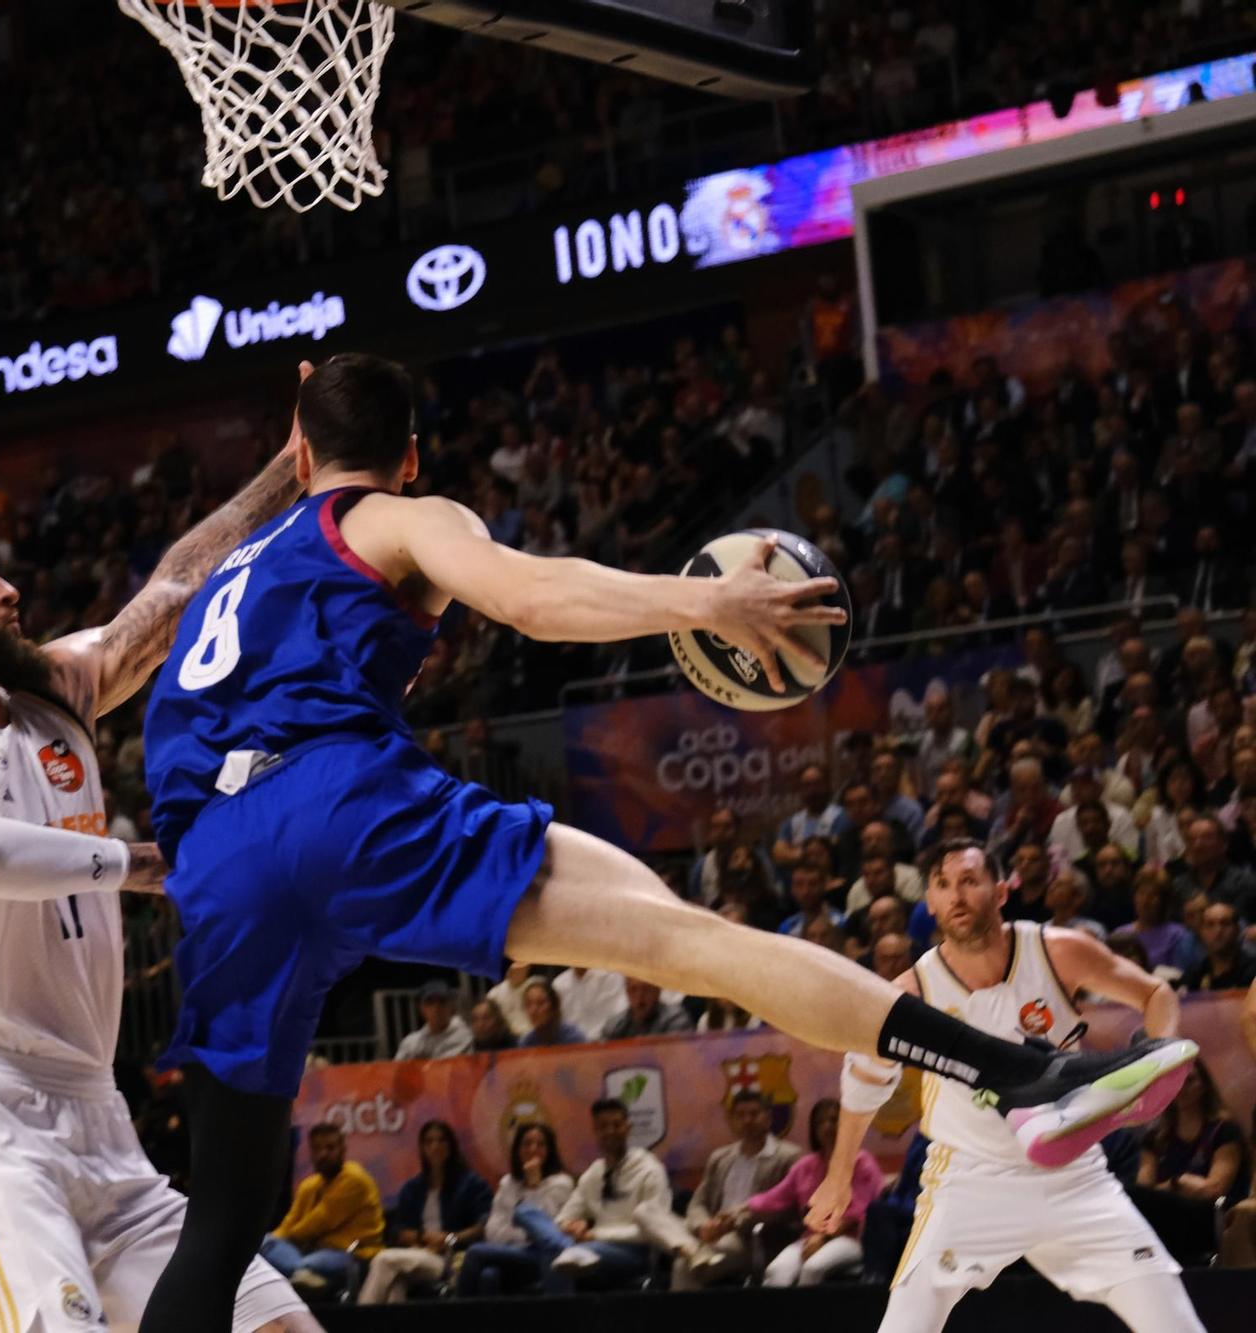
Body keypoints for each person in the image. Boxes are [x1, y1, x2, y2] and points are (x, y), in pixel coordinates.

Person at [135, 355, 1194, 1331]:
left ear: (298, 445)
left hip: (213, 866)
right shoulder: (395, 517)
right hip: (332, 804)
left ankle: (1014, 1074)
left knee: (221, 1224)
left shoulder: (231, 569)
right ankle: (1019, 1073)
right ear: (408, 457)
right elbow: (531, 598)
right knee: (689, 945)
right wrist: (711, 600)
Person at [0, 390, 316, 1333]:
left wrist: (288, 469)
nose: (8, 589)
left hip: (100, 1117)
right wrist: (142, 861)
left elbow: (175, 592)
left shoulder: (53, 694)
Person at [806, 838, 1205, 1333]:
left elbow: (1156, 992)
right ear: (929, 902)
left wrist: (1158, 1056)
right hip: (970, 1180)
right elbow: (865, 1082)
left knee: (1176, 1324)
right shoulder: (912, 992)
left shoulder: (1057, 951)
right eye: (944, 885)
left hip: (1074, 1177)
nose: (956, 896)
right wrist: (839, 1175)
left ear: (1000, 892)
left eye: (970, 881)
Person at [539, 1099, 680, 1290]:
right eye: (602, 1126)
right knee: (528, 1215)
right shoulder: (593, 1173)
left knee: (564, 1255)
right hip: (592, 1247)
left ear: (628, 1128)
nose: (610, 1131)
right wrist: (572, 1226)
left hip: (636, 1253)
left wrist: (595, 1235)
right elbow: (562, 1219)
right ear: (595, 1131)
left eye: (616, 1125)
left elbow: (654, 1232)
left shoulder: (650, 1170)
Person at [673, 1091, 803, 1289]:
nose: (747, 1120)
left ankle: (682, 1319)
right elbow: (698, 1203)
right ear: (732, 1120)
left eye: (754, 1114)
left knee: (683, 1266)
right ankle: (691, 1249)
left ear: (768, 1118)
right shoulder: (720, 1157)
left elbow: (790, 1209)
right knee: (648, 1212)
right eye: (740, 1115)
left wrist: (735, 1222)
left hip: (749, 1240)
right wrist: (703, 1226)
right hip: (709, 1233)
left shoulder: (789, 1157)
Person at [748, 1098, 882, 1286]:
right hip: (811, 1238)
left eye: (834, 1120)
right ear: (814, 1129)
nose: (827, 1126)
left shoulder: (862, 1162)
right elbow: (775, 1196)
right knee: (776, 1271)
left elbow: (858, 1213)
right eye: (821, 1122)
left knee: (813, 1268)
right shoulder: (806, 1165)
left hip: (852, 1239)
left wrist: (823, 1237)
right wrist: (742, 1207)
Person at [357, 1122, 490, 1305]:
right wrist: (423, 1237)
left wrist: (450, 1238)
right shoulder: (413, 1188)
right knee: (396, 1286)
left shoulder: (472, 1185)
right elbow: (398, 1231)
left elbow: (482, 1226)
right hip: (416, 1254)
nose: (435, 1147)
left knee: (383, 1260)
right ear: (422, 1147)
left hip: (450, 1258)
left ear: (451, 1145)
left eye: (441, 1141)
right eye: (429, 1142)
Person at [1132, 1060, 1249, 1266]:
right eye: (1175, 1082)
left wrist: (1167, 1188)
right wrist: (1178, 1183)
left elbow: (1214, 1188)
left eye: (1189, 1081)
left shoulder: (1224, 1131)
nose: (1181, 1088)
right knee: (1131, 1199)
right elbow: (1144, 1189)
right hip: (1164, 1213)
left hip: (1207, 1216)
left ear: (1203, 1084)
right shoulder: (1155, 1138)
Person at [258, 1124, 384, 1295]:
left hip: (352, 1255)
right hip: (310, 1251)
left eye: (330, 1148)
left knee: (309, 1263)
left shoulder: (355, 1179)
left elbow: (317, 1223)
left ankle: (302, 1272)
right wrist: (270, 1242)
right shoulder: (308, 1185)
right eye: (317, 1149)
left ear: (343, 1150)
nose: (323, 1154)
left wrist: (281, 1240)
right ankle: (303, 1276)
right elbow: (289, 1223)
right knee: (263, 1243)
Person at [456, 1124, 573, 1297]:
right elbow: (492, 1232)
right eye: (526, 1144)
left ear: (549, 1150)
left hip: (542, 1255)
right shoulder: (508, 1184)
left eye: (540, 1144)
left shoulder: (561, 1183)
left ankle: (455, 1318)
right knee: (489, 1276)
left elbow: (548, 1230)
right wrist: (525, 1235)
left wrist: (534, 1186)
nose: (533, 1149)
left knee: (475, 1252)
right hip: (507, 1252)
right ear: (517, 1149)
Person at [1180, 901, 1256, 991]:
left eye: (1225, 923)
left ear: (1237, 929)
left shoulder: (1252, 971)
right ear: (1201, 931)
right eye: (1210, 924)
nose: (1218, 930)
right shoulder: (1194, 975)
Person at [393, 979, 473, 1060]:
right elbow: (397, 1070)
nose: (436, 1008)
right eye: (430, 1002)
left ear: (451, 1006)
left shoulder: (467, 1036)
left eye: (442, 1001)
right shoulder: (410, 1043)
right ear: (421, 1008)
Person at [598, 978, 694, 1040]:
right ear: (627, 992)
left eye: (646, 989)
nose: (640, 997)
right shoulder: (615, 1025)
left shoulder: (676, 1020)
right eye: (633, 990)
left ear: (658, 991)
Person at [516, 978, 586, 1048]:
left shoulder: (573, 1037)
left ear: (554, 1006)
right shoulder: (526, 1043)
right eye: (528, 1004)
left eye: (541, 1003)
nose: (533, 1010)